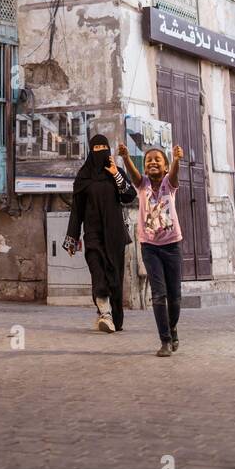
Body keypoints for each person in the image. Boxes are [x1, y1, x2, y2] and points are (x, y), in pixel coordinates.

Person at [63, 133, 136, 332]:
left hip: (115, 235)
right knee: (97, 272)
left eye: (103, 148)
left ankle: (114, 317)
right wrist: (72, 239)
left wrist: (116, 174)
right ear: (90, 151)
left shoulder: (116, 173)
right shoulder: (83, 177)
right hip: (92, 234)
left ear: (108, 150)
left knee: (114, 277)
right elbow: (76, 211)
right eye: (95, 149)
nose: (99, 152)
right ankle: (105, 313)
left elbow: (130, 196)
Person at [117, 141, 184, 357]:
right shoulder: (142, 184)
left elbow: (174, 175)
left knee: (175, 296)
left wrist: (176, 160)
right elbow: (134, 175)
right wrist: (126, 157)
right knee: (158, 294)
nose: (153, 162)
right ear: (145, 167)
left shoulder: (168, 184)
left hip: (172, 245)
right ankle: (164, 340)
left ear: (164, 167)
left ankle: (172, 328)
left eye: (158, 160)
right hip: (150, 247)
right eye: (149, 160)